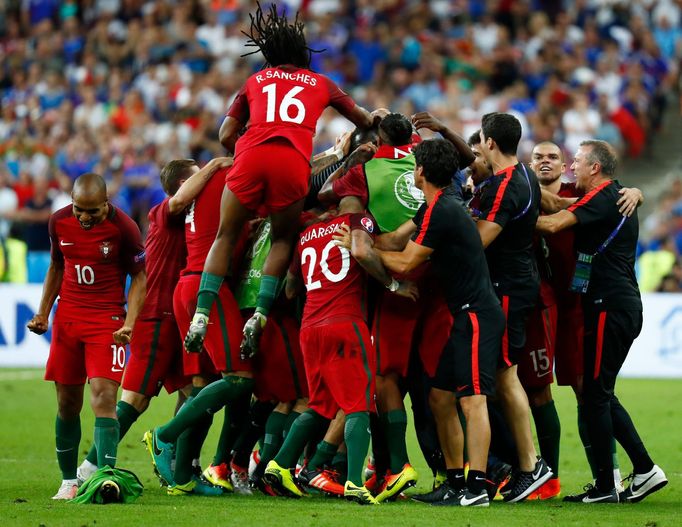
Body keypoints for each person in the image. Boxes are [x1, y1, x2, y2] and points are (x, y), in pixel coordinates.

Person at [183, 3, 375, 361]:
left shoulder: (255, 81)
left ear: (270, 54)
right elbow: (363, 119)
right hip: (292, 163)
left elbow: (225, 133)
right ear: (303, 53)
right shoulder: (321, 82)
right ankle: (259, 316)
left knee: (226, 234)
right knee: (283, 237)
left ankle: (201, 314)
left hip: (251, 155)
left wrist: (248, 150)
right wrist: (371, 119)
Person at [76, 157, 232, 483]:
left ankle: (179, 468)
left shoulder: (195, 218)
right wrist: (216, 164)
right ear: (183, 185)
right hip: (156, 316)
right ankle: (89, 468)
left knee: (195, 391)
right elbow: (179, 200)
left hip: (179, 318)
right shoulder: (162, 212)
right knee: (136, 399)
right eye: (200, 176)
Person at [369, 138, 506, 507]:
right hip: (465, 314)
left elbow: (404, 263)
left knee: (472, 402)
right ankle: (455, 480)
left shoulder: (442, 210)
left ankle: (476, 488)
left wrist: (364, 252)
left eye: (414, 165)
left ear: (421, 172)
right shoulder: (436, 206)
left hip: (478, 314)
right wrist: (361, 234)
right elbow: (394, 240)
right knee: (440, 397)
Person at [536, 140, 667, 504]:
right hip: (614, 305)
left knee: (595, 395)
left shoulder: (605, 195)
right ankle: (643, 471)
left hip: (610, 305)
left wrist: (503, 213)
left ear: (595, 168)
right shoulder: (610, 196)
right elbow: (561, 205)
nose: (572, 166)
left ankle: (615, 484)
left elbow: (552, 223)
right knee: (599, 394)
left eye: (576, 161)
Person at [263, 197, 417, 505]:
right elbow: (364, 252)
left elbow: (291, 288)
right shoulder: (358, 221)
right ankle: (354, 482)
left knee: (320, 405)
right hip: (344, 323)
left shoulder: (307, 234)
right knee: (359, 403)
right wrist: (392, 286)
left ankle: (279, 464)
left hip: (309, 327)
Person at [27, 173, 146, 500]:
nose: (84, 217)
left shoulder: (125, 228)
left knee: (104, 395)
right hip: (68, 319)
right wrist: (43, 313)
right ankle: (68, 481)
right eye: (79, 209)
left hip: (106, 320)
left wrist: (130, 322)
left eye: (92, 211)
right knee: (67, 403)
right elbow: (56, 267)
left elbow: (140, 277)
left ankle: (105, 478)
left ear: (105, 204)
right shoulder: (58, 223)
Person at [475, 112, 553, 502]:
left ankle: (529, 465)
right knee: (500, 378)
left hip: (506, 286)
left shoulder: (505, 186)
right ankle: (519, 463)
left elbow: (480, 240)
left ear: (489, 142)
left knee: (505, 377)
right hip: (520, 282)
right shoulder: (525, 176)